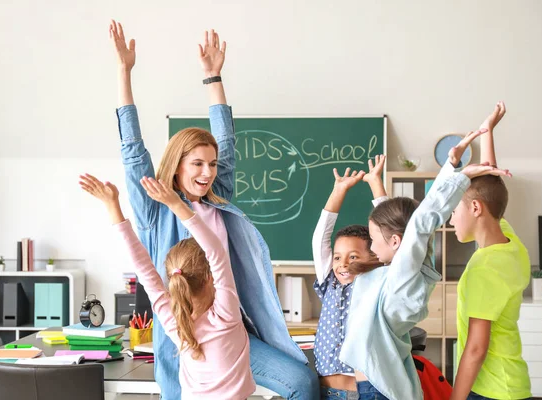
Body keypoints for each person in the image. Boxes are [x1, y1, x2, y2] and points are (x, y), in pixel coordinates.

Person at [110, 20, 318, 399]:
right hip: (181, 338)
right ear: (177, 166)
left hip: (227, 329)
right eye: (198, 165)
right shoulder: (155, 207)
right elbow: (132, 150)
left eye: (212, 164)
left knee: (301, 383)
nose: (208, 173)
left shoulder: (217, 199)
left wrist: (213, 77)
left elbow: (226, 140)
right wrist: (124, 72)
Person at [340, 129, 511, 400]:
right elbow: (406, 226)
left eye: (373, 239)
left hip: (377, 390)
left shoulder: (402, 279)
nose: (371, 247)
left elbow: (419, 225)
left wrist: (462, 178)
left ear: (396, 242)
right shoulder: (403, 269)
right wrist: (450, 166)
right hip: (374, 386)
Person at [80, 174, 255, 399]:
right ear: (211, 277)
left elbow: (143, 268)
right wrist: (175, 204)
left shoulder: (176, 325)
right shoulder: (226, 315)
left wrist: (112, 205)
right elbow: (216, 251)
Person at [450, 102, 531, 400]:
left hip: (489, 391)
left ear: (474, 208)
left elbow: (475, 348)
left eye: (454, 210)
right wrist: (488, 132)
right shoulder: (511, 245)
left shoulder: (484, 267)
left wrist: (455, 398)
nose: (450, 218)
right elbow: (489, 191)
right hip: (513, 384)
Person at [311, 155, 385, 400]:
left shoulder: (374, 283)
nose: (343, 264)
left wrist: (376, 185)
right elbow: (321, 237)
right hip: (328, 392)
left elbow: (392, 234)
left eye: (353, 257)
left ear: (374, 259)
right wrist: (339, 190)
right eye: (338, 257)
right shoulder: (329, 283)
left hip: (366, 392)